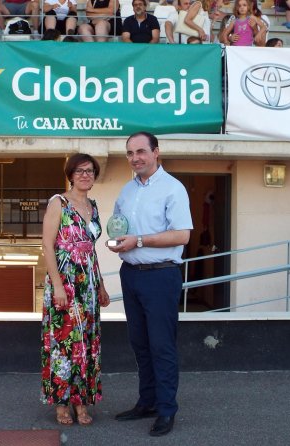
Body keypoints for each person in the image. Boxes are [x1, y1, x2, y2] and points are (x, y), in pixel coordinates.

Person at [109, 132, 192, 437]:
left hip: (160, 276)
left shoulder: (173, 189)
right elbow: (119, 225)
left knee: (161, 346)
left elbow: (182, 235)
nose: (135, 158)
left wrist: (139, 240)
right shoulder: (127, 191)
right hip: (130, 274)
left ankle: (167, 410)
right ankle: (148, 402)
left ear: (156, 152)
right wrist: (119, 242)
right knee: (140, 344)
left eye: (141, 151)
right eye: (130, 153)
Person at [40, 154, 110, 425]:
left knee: (86, 344)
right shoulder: (59, 203)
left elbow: (91, 250)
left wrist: (101, 284)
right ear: (70, 174)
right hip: (65, 284)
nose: (85, 175)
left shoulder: (93, 206)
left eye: (90, 171)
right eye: (80, 171)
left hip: (89, 285)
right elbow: (47, 245)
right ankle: (61, 405)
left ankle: (82, 403)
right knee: (63, 343)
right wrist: (57, 285)